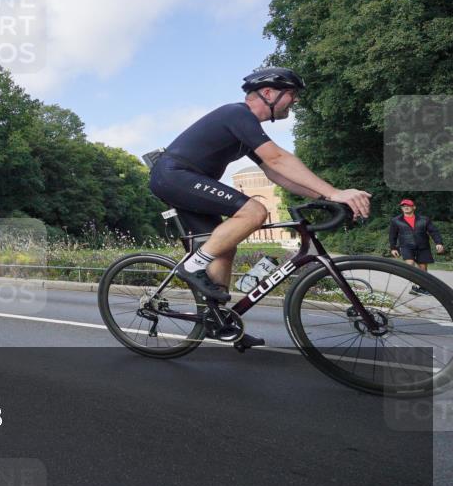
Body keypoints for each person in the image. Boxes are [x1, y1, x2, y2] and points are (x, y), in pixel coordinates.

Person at [148, 67, 372, 346]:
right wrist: (335, 191)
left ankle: (217, 320)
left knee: (224, 246)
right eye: (291, 94)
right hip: (173, 175)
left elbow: (275, 173)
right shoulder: (237, 114)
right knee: (254, 211)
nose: (296, 101)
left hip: (187, 180)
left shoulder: (248, 129)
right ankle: (193, 267)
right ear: (268, 93)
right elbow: (277, 158)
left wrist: (326, 197)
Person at [389, 199, 446, 295]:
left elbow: (433, 231)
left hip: (423, 246)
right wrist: (393, 248)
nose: (406, 207)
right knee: (410, 265)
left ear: (414, 207)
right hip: (406, 246)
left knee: (423, 269)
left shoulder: (424, 219)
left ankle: (423, 288)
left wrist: (438, 243)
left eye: (408, 205)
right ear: (401, 208)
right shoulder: (396, 221)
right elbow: (392, 235)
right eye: (403, 206)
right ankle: (415, 286)